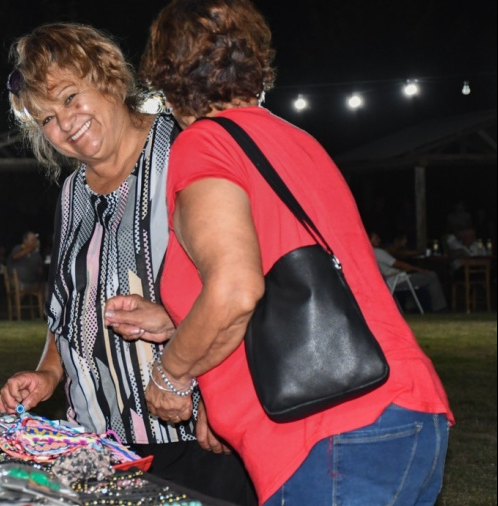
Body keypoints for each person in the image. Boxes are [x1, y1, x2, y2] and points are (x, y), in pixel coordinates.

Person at [105, 1, 453, 503]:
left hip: (327, 434)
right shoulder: (296, 140)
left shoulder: (205, 144)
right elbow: (283, 280)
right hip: (407, 414)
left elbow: (235, 290)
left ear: (164, 74)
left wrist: (172, 373)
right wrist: (177, 324)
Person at [0, 23, 256, 504]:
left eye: (71, 97)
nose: (65, 124)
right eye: (47, 118)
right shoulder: (72, 193)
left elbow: (241, 286)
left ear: (108, 76)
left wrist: (223, 398)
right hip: (97, 442)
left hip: (191, 434)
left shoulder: (185, 150)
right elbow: (67, 308)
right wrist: (49, 373)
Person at [370, 231, 447, 312]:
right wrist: (418, 269)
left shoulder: (369, 253)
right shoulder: (378, 252)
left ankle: (410, 307)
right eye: (376, 238)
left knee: (413, 278)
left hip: (389, 280)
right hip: (396, 280)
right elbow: (397, 264)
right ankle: (439, 307)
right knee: (432, 276)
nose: (379, 240)